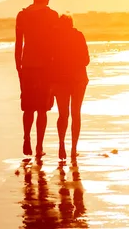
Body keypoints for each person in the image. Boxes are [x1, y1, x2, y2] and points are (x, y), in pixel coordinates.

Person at [15, 0, 59, 158]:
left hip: (27, 66)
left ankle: (27, 139)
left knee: (28, 107)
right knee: (42, 109)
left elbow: (19, 43)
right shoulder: (51, 15)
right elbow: (56, 44)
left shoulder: (22, 15)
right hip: (45, 67)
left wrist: (18, 66)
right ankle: (39, 146)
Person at [52, 14, 90, 162]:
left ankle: (61, 144)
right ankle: (73, 148)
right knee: (76, 113)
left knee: (63, 114)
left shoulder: (55, 39)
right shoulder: (78, 36)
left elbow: (51, 62)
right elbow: (86, 60)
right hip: (78, 80)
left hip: (61, 80)